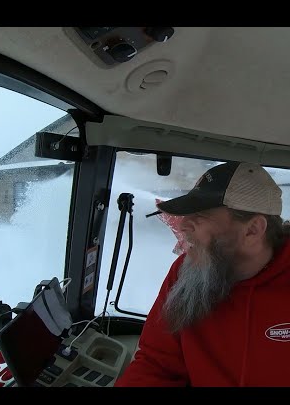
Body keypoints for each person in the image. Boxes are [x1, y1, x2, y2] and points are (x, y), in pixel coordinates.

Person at [115, 161, 290, 387]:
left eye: (201, 215)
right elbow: (156, 366)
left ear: (252, 230)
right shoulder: (187, 272)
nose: (183, 225)